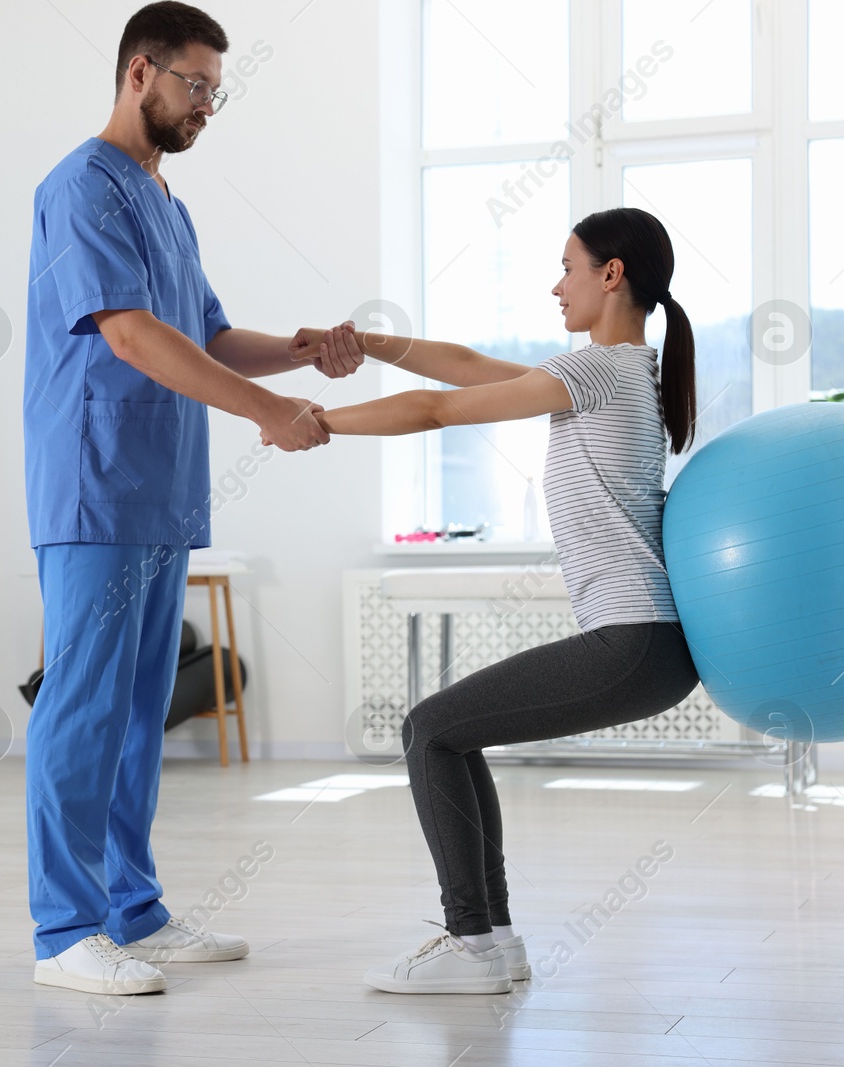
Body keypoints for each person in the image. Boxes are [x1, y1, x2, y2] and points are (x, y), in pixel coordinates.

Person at [283, 207, 703, 994]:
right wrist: (365, 342)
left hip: (634, 638)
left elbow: (440, 408)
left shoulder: (597, 372)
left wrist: (316, 421)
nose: (556, 285)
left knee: (428, 730)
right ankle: (493, 940)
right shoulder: (621, 372)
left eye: (568, 267)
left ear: (611, 275)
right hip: (646, 644)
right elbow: (466, 365)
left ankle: (471, 941)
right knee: (449, 734)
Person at [22, 1, 350, 997]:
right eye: (194, 85)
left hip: (161, 492)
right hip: (93, 482)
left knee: (134, 711)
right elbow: (128, 334)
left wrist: (299, 351)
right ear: (138, 73)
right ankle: (63, 930)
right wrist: (265, 410)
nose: (208, 105)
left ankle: (135, 909)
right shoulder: (80, 186)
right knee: (80, 707)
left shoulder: (167, 203)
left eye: (217, 89)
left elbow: (201, 333)